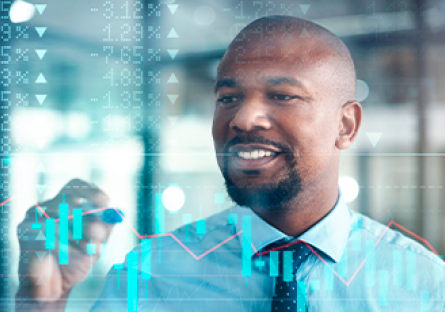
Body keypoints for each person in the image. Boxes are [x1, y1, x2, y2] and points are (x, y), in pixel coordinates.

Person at [15, 16, 445, 312]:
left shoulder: (423, 285)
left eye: (282, 95)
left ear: (346, 125)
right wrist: (40, 302)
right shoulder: (151, 274)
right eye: (228, 98)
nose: (241, 119)